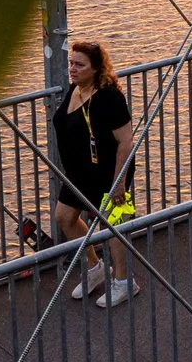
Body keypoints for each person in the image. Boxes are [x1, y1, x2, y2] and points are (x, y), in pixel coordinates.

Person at [50, 38, 138, 307]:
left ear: (96, 68)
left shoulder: (109, 96)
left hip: (108, 171)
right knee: (64, 217)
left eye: (79, 65)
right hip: (78, 171)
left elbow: (126, 141)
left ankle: (124, 282)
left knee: (110, 225)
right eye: (71, 63)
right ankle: (94, 266)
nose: (72, 69)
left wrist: (119, 182)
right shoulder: (75, 90)